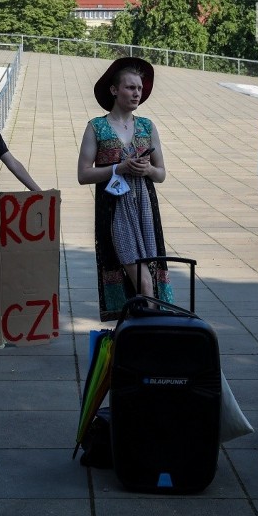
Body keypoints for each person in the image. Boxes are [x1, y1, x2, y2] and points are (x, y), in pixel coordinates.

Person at [77, 57, 171, 321]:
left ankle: (139, 335)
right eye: (130, 87)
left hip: (145, 209)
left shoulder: (147, 126)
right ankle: (149, 335)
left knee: (148, 276)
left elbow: (161, 173)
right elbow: (83, 174)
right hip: (116, 210)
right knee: (143, 281)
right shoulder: (96, 127)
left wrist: (148, 170)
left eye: (139, 89)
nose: (136, 93)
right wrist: (119, 168)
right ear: (114, 90)